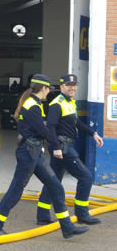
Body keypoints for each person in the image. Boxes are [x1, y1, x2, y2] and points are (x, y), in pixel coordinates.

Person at [0, 74, 89, 239]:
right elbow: (43, 131)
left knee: (56, 186)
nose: (49, 92)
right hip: (28, 153)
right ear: (44, 89)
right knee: (15, 191)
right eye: (49, 89)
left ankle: (67, 228)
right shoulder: (32, 105)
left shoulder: (36, 104)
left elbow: (41, 127)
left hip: (35, 153)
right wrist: (56, 146)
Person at [36, 74, 104, 226]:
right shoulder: (57, 104)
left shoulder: (70, 102)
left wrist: (93, 133)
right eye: (68, 85)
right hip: (63, 148)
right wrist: (56, 148)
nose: (72, 87)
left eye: (74, 85)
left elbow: (77, 123)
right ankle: (82, 213)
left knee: (52, 181)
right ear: (61, 87)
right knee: (86, 178)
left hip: (63, 148)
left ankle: (42, 216)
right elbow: (51, 128)